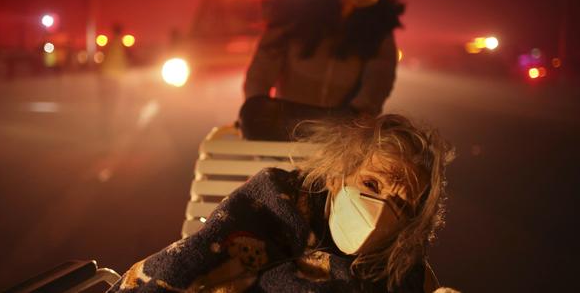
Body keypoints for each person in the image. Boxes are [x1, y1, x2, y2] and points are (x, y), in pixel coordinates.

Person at [108, 114, 455, 292]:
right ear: (339, 174)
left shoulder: (402, 261)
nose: (380, 211)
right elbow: (195, 258)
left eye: (402, 206)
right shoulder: (280, 200)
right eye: (371, 183)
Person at [240, 0, 405, 140]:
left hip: (340, 130)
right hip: (288, 124)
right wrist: (256, 105)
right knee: (254, 114)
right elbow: (263, 68)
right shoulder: (296, 11)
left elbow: (377, 83)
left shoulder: (379, 29)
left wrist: (357, 118)